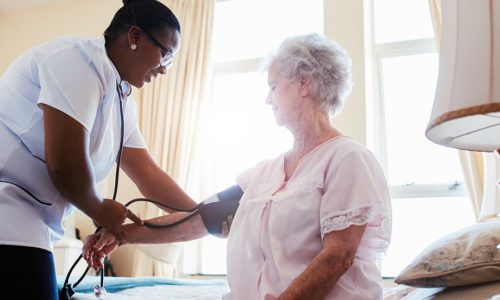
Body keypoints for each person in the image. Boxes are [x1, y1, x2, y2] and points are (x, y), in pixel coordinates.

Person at [84, 33, 392, 299]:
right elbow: (200, 219)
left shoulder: (348, 158)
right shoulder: (265, 173)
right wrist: (121, 235)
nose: (267, 99)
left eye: (273, 86)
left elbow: (338, 257)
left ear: (303, 84)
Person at [0, 0, 199, 299]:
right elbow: (64, 166)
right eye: (165, 54)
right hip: (8, 212)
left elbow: (149, 175)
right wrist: (99, 209)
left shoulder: (122, 100)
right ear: (134, 37)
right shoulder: (77, 61)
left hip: (32, 223)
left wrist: (202, 215)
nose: (164, 69)